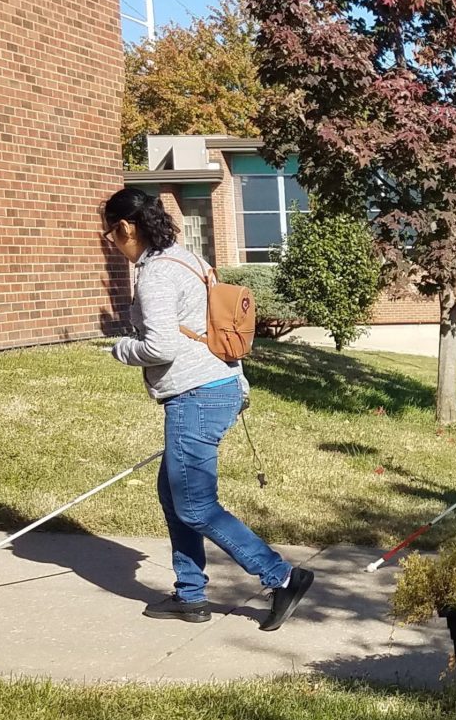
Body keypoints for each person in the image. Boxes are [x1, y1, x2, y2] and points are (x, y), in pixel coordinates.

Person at [101, 187, 315, 631]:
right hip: (220, 386)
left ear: (126, 228)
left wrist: (120, 348)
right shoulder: (190, 260)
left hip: (196, 396)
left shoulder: (157, 274)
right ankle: (191, 596)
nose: (112, 245)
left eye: (110, 237)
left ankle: (282, 577)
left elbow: (159, 346)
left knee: (196, 505)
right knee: (174, 495)